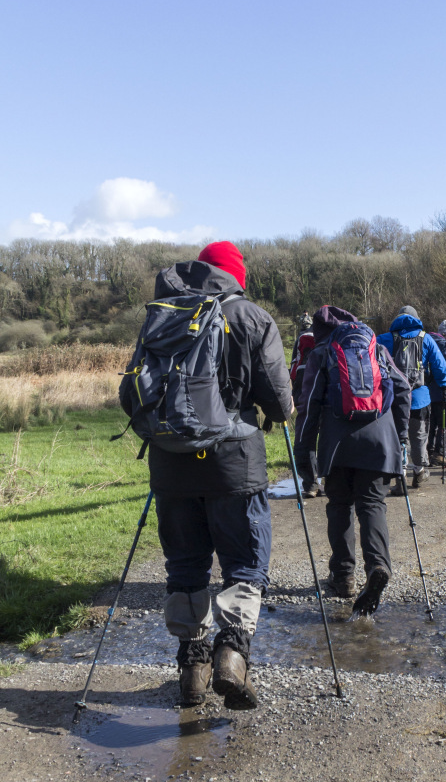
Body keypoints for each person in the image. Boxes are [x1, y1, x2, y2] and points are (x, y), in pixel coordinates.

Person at [120, 241, 293, 710]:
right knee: (245, 563)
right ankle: (232, 656)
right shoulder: (252, 317)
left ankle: (192, 670)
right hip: (233, 463)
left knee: (185, 565)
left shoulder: (162, 313)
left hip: (171, 463)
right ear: (235, 274)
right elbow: (279, 401)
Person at [295, 306, 411, 612]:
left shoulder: (321, 354)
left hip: (337, 445)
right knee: (372, 504)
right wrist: (400, 437)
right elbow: (403, 389)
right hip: (380, 441)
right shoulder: (378, 349)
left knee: (339, 506)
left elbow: (307, 408)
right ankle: (377, 567)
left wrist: (304, 454)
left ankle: (344, 576)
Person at [377, 306, 446, 491]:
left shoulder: (384, 339)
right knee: (418, 436)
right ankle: (419, 471)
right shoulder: (426, 338)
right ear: (416, 319)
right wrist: (444, 385)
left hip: (393, 398)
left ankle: (400, 475)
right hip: (419, 398)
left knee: (398, 437)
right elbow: (440, 366)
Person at [289, 313, 318, 497]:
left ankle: (311, 483)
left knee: (306, 435)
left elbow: (293, 368)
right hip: (329, 394)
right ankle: (334, 480)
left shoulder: (302, 338)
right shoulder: (334, 336)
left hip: (305, 391)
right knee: (329, 435)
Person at [427, 320, 446, 468]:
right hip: (442, 389)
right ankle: (439, 454)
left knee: (431, 423)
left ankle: (429, 452)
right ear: (445, 334)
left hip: (427, 389)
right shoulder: (443, 344)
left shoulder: (425, 341)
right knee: (445, 423)